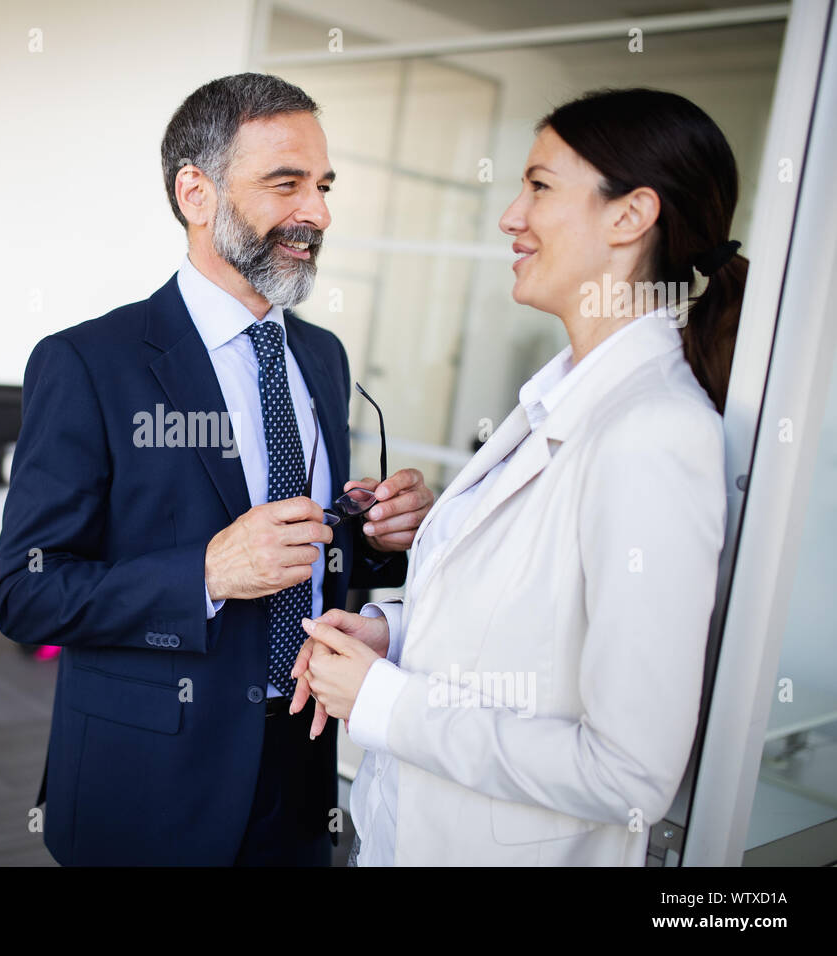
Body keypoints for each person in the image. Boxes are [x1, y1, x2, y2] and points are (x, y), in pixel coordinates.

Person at [0, 73, 435, 866]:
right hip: (149, 778)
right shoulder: (88, 363)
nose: (319, 214)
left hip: (301, 766)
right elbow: (28, 593)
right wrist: (207, 572)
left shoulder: (321, 358)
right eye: (286, 184)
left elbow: (309, 548)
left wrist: (380, 536)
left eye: (325, 186)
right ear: (196, 193)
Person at [292, 88, 740, 866]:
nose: (510, 216)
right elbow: (534, 631)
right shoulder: (560, 395)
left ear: (630, 216)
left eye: (538, 186)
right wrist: (393, 635)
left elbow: (629, 774)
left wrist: (386, 703)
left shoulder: (655, 434)